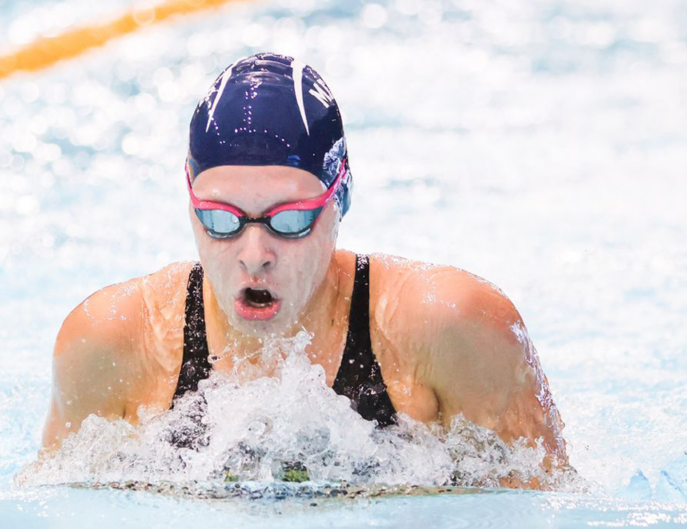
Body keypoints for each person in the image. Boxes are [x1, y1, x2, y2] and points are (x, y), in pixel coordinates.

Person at [38, 53, 567, 484]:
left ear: (340, 199)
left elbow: (539, 525)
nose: (254, 252)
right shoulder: (111, 344)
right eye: (221, 219)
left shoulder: (450, 329)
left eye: (289, 219)